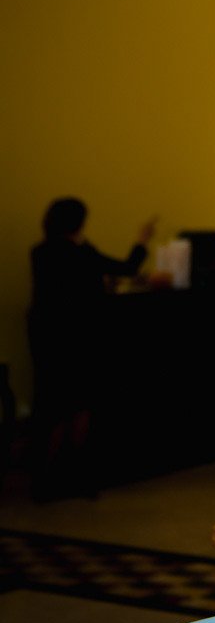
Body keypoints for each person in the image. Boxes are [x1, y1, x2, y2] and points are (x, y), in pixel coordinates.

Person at [28, 198, 155, 500]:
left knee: (52, 404)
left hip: (47, 336)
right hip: (79, 336)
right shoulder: (82, 252)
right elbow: (127, 268)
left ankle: (45, 479)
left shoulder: (40, 252)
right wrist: (142, 240)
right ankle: (77, 474)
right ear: (79, 223)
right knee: (81, 404)